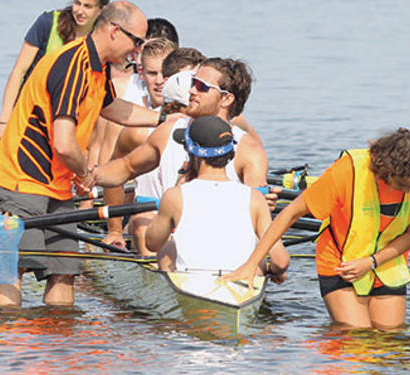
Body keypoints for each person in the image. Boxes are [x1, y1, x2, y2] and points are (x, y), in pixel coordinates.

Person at [0, 1, 181, 307]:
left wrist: (162, 118)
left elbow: (113, 108)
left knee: (64, 272)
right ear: (115, 31)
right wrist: (87, 175)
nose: (137, 51)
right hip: (21, 180)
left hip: (58, 184)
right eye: (137, 41)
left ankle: (63, 350)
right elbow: (64, 144)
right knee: (17, 267)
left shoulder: (98, 66)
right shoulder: (71, 65)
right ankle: (13, 353)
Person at [220, 128, 410, 329]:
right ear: (387, 169)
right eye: (403, 184)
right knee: (357, 338)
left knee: (391, 339)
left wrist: (372, 261)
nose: (408, 191)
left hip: (386, 264)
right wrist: (250, 265)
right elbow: (290, 214)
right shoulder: (348, 170)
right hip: (340, 262)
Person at [94, 57, 275, 212]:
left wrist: (261, 203)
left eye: (201, 87)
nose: (191, 91)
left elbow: (257, 219)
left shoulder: (249, 151)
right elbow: (127, 168)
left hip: (218, 241)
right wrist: (89, 176)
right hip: (168, 236)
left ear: (226, 98)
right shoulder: (168, 132)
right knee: (142, 225)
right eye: (192, 83)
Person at [145, 116, 289, 277]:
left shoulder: (174, 196)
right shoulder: (254, 198)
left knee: (168, 247)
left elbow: (152, 243)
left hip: (191, 281)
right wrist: (272, 271)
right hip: (239, 284)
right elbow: (281, 262)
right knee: (257, 247)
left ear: (192, 153)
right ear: (231, 154)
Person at [0, 0, 110, 143]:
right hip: (30, 114)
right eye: (77, 3)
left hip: (68, 121)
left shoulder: (103, 37)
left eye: (88, 7)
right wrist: (3, 122)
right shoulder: (48, 23)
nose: (80, 11)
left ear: (101, 10)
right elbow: (19, 72)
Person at [102, 37, 177, 255]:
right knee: (141, 228)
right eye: (153, 74)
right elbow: (112, 169)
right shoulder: (135, 129)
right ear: (141, 72)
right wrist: (115, 230)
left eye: (166, 74)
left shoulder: (205, 113)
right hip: (148, 212)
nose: (160, 81)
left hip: (185, 210)